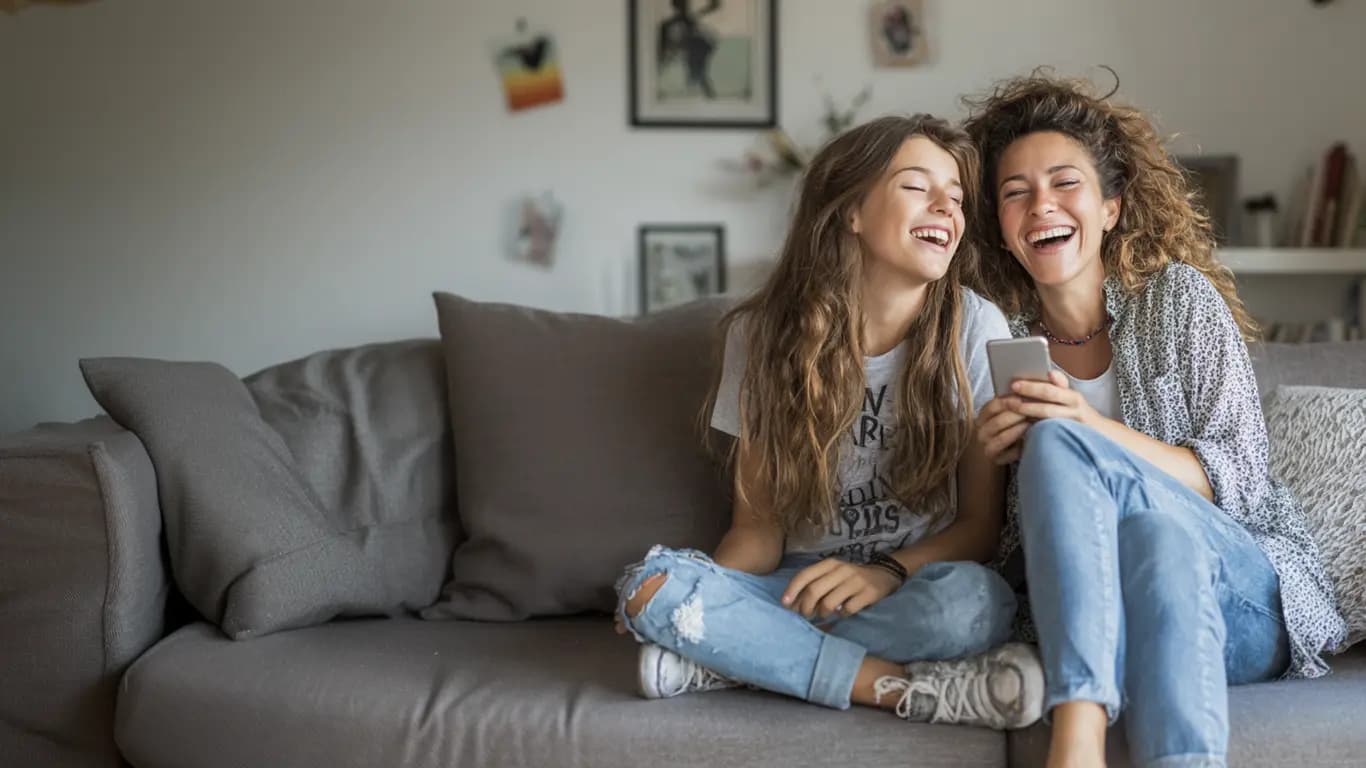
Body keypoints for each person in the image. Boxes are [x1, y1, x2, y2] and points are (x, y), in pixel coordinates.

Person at [962, 72, 1347, 767]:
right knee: (1151, 535)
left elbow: (1238, 477)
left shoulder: (1177, 301)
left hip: (1238, 597)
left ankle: (1078, 729)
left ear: (1111, 206)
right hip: (1113, 606)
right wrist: (990, 461)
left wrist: (1084, 425)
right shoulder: (997, 343)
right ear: (1003, 230)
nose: (1039, 204)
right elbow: (1019, 558)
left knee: (1133, 501)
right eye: (1015, 193)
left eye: (1063, 183)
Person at [614, 114, 1045, 730]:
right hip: (794, 590)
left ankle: (735, 657)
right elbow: (756, 532)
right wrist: (693, 592)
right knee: (649, 585)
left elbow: (979, 526)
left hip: (913, 585)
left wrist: (882, 573)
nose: (945, 208)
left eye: (955, 196)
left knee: (976, 606)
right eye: (917, 186)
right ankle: (899, 689)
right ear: (852, 211)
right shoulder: (761, 336)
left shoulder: (975, 329)